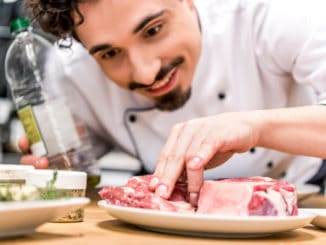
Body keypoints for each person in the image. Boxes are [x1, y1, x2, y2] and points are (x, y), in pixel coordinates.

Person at [23, 0, 326, 206]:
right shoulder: (69, 72)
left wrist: (254, 126)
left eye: (153, 30)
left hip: (300, 197)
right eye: (110, 54)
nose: (146, 72)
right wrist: (56, 162)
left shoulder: (270, 12)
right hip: (164, 206)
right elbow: (77, 157)